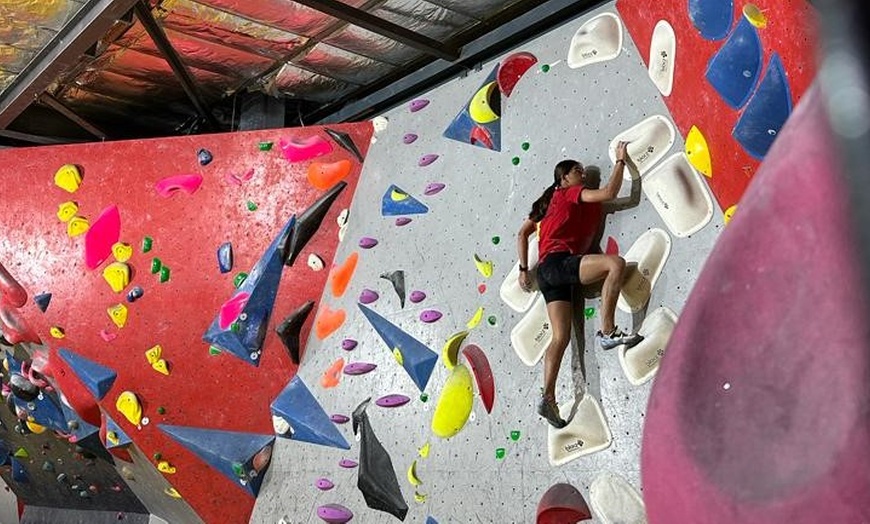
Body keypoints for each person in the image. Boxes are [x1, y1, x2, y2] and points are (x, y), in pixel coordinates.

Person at [516, 141, 643, 428]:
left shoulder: (548, 205)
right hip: (560, 264)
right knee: (615, 264)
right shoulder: (569, 194)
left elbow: (522, 234)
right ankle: (608, 331)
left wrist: (524, 270)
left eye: (584, 172)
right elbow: (611, 192)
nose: (583, 175)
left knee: (560, 338)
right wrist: (621, 160)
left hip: (547, 274)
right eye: (577, 171)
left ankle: (548, 397)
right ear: (563, 179)